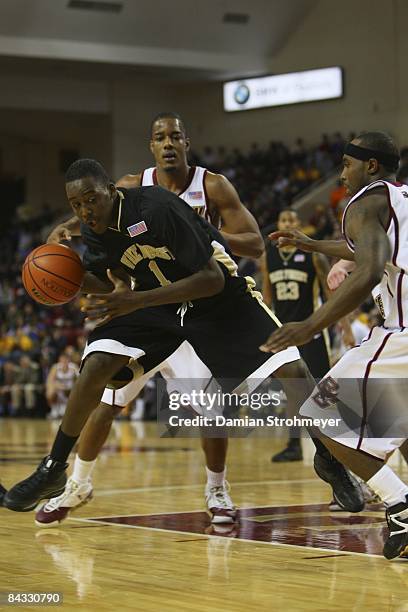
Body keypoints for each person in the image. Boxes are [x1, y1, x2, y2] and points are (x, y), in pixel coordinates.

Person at [4, 159, 362, 516]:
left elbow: (213, 280)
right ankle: (55, 468)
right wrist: (71, 273)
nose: (85, 210)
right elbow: (102, 280)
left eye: (91, 200)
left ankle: (329, 460)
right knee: (97, 363)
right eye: (76, 205)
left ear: (111, 192)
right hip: (156, 301)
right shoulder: (93, 229)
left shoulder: (157, 206)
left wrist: (135, 300)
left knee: (292, 371)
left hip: (217, 296)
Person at [36, 112, 264, 525]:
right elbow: (92, 212)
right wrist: (63, 228)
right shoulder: (128, 187)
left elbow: (255, 244)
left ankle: (217, 488)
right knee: (106, 402)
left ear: (186, 142)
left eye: (175, 135)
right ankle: (78, 484)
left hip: (197, 306)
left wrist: (197, 230)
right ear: (152, 146)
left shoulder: (211, 185)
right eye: (160, 137)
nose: (168, 143)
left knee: (210, 411)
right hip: (147, 309)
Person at [262, 131, 408, 559]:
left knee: (319, 413)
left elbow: (365, 270)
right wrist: (310, 244)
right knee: (399, 430)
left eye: (347, 164)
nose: (341, 173)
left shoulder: (363, 203)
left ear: (371, 166)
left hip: (403, 334)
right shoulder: (399, 200)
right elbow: (370, 249)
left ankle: (400, 504)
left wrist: (310, 325)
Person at [262, 209, 332, 462]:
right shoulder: (268, 256)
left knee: (323, 390)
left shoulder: (312, 256)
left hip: (311, 332)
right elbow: (267, 296)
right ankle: (293, 444)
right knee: (292, 392)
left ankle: (333, 442)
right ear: (278, 225)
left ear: (298, 225)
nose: (287, 224)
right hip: (284, 334)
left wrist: (343, 328)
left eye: (292, 220)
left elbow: (330, 294)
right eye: (283, 220)